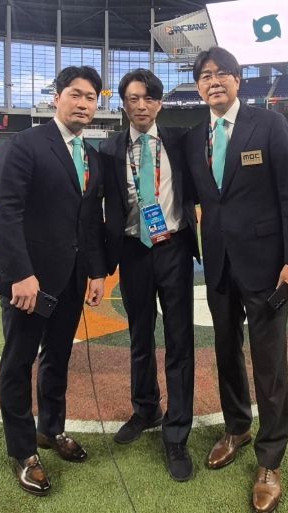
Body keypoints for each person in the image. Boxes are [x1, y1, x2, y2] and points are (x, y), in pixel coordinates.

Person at [184, 47, 288, 513]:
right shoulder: (194, 136)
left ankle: (270, 461)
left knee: (269, 363)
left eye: (222, 74)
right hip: (218, 264)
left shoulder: (269, 124)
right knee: (225, 352)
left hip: (267, 266)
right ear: (198, 86)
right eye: (205, 76)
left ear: (238, 80)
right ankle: (237, 427)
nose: (213, 81)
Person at [0, 66, 107, 497]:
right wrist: (20, 274)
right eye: (75, 94)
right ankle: (24, 452)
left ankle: (50, 429)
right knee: (18, 363)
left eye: (91, 97)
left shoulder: (91, 156)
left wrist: (97, 271)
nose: (83, 104)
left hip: (71, 279)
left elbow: (89, 221)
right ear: (56, 97)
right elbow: (5, 210)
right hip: (29, 283)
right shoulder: (25, 144)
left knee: (58, 357)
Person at [99, 69, 200, 481]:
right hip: (132, 251)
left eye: (148, 98)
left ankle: (177, 433)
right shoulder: (109, 148)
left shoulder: (181, 141)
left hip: (173, 248)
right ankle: (146, 409)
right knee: (140, 337)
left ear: (159, 103)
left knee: (179, 341)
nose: (141, 105)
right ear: (123, 103)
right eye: (132, 98)